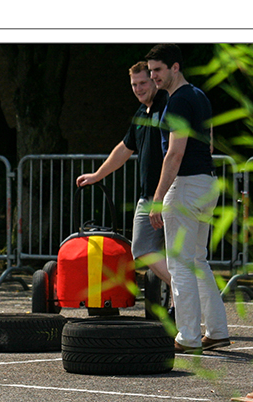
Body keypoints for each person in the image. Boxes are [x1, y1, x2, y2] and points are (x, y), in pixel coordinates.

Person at [146, 43, 229, 354]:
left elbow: (175, 152)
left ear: (175, 67)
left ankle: (188, 337)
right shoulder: (199, 96)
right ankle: (217, 331)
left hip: (186, 185)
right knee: (197, 261)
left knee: (181, 265)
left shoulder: (179, 101)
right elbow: (207, 145)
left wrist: (158, 197)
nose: (153, 76)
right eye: (151, 70)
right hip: (207, 184)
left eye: (158, 70)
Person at [76, 61, 172, 307]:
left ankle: (181, 303)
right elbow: (124, 148)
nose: (139, 89)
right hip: (147, 197)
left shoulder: (169, 104)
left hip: (172, 193)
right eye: (134, 85)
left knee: (177, 255)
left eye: (143, 83)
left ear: (154, 81)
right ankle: (181, 286)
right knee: (141, 248)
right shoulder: (141, 114)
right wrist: (97, 175)